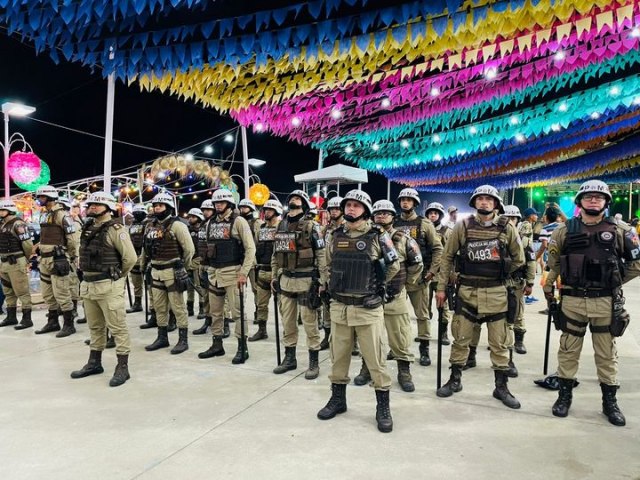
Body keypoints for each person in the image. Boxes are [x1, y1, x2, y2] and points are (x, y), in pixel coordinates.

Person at [543, 180, 640, 426]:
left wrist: (615, 280)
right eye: (589, 197)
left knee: (606, 354)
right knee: (568, 350)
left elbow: (637, 262)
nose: (594, 200)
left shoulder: (621, 230)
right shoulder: (564, 230)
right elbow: (554, 261)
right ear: (580, 202)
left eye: (599, 197)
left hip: (605, 302)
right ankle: (564, 397)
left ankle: (610, 403)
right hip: (572, 300)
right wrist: (549, 284)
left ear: (606, 201)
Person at [435, 185, 525, 409]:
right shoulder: (462, 226)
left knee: (499, 343)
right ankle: (455, 380)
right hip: (467, 291)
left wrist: (501, 272)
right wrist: (441, 288)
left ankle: (501, 387)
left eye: (489, 199)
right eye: (480, 199)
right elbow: (446, 258)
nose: (484, 202)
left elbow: (519, 258)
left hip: (497, 293)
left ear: (496, 204)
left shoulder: (507, 227)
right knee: (460, 340)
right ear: (475, 202)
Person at [317, 189, 399, 432]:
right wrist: (326, 285)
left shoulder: (378, 235)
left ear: (366, 210)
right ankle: (338, 399)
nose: (351, 209)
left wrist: (380, 290)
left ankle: (382, 407)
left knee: (375, 360)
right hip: (340, 307)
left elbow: (394, 265)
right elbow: (328, 263)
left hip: (367, 308)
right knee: (338, 358)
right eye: (348, 205)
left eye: (356, 205)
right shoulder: (336, 235)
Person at [352, 199, 422, 392]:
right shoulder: (366, 237)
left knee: (400, 335)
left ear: (393, 216)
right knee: (369, 337)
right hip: (369, 296)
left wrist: (405, 285)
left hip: (394, 295)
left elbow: (416, 264)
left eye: (386, 213)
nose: (381, 216)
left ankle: (404, 370)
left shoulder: (403, 238)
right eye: (378, 213)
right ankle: (367, 368)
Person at [69, 192, 137, 387]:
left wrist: (118, 276)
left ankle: (122, 367)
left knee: (117, 327)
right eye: (90, 205)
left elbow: (130, 258)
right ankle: (94, 362)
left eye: (97, 205)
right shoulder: (88, 227)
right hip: (89, 284)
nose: (92, 207)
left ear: (108, 208)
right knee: (95, 327)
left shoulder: (116, 229)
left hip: (108, 285)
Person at [270, 189, 326, 379]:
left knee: (310, 323)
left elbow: (321, 255)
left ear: (304, 204)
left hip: (306, 280)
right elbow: (275, 254)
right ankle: (290, 358)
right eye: (291, 199)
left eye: (297, 199)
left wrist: (321, 280)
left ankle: (314, 362)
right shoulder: (281, 226)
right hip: (286, 280)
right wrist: (274, 276)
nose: (293, 202)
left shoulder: (313, 227)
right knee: (288, 322)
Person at [198, 189, 256, 364]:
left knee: (238, 313)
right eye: (216, 203)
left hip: (233, 273)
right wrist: (203, 269)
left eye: (221, 202)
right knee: (216, 312)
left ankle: (242, 348)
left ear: (229, 204)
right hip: (214, 272)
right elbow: (207, 248)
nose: (218, 205)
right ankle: (217, 345)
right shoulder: (209, 224)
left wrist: (243, 273)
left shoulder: (239, 222)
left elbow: (250, 249)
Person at [393, 188, 443, 367]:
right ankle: (396, 347)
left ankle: (424, 349)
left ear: (415, 203)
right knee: (396, 314)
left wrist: (432, 271)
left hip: (419, 276)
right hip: (397, 278)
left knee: (422, 315)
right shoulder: (394, 222)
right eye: (403, 200)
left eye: (409, 200)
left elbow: (437, 249)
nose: (405, 202)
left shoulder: (425, 223)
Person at [141, 192, 194, 355]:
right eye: (155, 205)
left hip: (172, 270)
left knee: (178, 307)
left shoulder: (178, 226)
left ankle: (183, 339)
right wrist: (144, 265)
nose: (157, 208)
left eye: (160, 205)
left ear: (168, 207)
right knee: (159, 307)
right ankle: (162, 337)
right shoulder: (150, 226)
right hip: (155, 269)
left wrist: (182, 267)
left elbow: (189, 250)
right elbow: (146, 248)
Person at [34, 185, 79, 337]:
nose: (39, 199)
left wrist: (72, 256)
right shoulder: (45, 214)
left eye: (42, 197)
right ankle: (53, 322)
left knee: (62, 291)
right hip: (45, 259)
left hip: (58, 258)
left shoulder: (62, 215)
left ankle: (69, 324)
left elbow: (72, 239)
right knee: (47, 293)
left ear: (50, 197)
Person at [248, 199, 282, 342]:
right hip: (262, 270)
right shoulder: (261, 229)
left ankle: (288, 332)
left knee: (284, 307)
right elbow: (255, 247)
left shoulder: (282, 227)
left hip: (279, 273)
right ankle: (262, 330)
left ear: (276, 212)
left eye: (269, 210)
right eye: (265, 210)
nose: (266, 212)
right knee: (261, 304)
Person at [0, 199, 34, 330]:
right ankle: (11, 316)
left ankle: (27, 319)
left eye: (2, 210)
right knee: (8, 290)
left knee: (22, 290)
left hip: (16, 261)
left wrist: (25, 258)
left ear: (9, 210)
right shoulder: (3, 224)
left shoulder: (18, 224)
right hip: (4, 262)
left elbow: (27, 244)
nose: (1, 212)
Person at [319, 196, 345, 350]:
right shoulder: (325, 229)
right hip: (328, 273)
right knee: (326, 307)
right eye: (331, 209)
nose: (334, 211)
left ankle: (352, 342)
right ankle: (327, 337)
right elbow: (321, 252)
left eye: (336, 209)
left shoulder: (347, 227)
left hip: (345, 272)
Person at [425, 202, 452, 345]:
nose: (433, 215)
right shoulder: (423, 229)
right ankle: (425, 334)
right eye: (430, 213)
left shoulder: (447, 231)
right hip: (424, 272)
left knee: (442, 306)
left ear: (440, 215)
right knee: (424, 306)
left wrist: (452, 273)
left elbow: (451, 253)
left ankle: (443, 333)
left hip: (440, 274)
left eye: (435, 213)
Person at [192, 200, 214, 335]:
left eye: (208, 209)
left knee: (219, 298)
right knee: (205, 296)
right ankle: (207, 321)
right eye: (203, 209)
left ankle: (224, 324)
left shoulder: (216, 225)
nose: (205, 211)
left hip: (214, 266)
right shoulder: (202, 225)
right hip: (203, 264)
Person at [238, 199, 260, 323]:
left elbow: (258, 242)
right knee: (239, 289)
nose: (243, 210)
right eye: (241, 207)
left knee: (255, 288)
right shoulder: (237, 221)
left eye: (245, 208)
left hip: (252, 261)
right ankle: (240, 312)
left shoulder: (256, 223)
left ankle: (258, 311)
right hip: (239, 260)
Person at [127, 204, 150, 320]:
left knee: (149, 283)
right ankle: (137, 303)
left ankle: (153, 306)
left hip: (144, 254)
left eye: (139, 213)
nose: (136, 215)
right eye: (135, 213)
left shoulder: (149, 224)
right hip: (133, 254)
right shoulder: (132, 225)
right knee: (136, 281)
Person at [185, 208, 206, 317]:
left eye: (193, 217)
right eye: (189, 217)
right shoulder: (186, 230)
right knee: (189, 285)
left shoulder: (203, 230)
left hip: (198, 260)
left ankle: (202, 308)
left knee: (199, 285)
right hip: (189, 260)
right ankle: (190, 308)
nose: (190, 219)